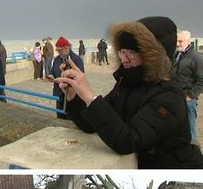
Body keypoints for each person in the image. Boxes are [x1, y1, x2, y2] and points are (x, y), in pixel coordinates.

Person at [55, 16, 203, 168]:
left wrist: (90, 95)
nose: (124, 59)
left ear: (153, 56)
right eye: (121, 52)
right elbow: (91, 124)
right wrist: (74, 95)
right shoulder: (127, 84)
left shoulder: (169, 96)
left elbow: (127, 141)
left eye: (131, 53)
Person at [172, 29, 203, 145]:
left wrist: (190, 95)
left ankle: (194, 153)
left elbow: (202, 79)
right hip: (175, 96)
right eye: (177, 41)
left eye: (181, 41)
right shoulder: (176, 54)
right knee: (177, 127)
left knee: (190, 130)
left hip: (188, 99)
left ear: (188, 41)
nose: (178, 44)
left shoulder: (195, 57)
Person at [48, 36, 84, 119]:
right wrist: (51, 75)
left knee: (70, 119)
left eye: (60, 50)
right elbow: (53, 70)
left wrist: (64, 81)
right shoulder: (57, 59)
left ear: (67, 48)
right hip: (59, 94)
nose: (59, 52)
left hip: (71, 95)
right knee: (60, 118)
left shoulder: (77, 60)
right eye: (57, 50)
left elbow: (80, 78)